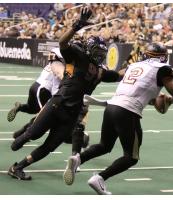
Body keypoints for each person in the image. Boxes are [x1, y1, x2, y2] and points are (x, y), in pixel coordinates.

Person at [8, 7, 124, 181]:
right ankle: (23, 136)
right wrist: (76, 26)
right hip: (58, 103)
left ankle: (18, 167)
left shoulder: (100, 71)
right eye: (98, 52)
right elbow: (62, 43)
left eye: (102, 53)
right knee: (31, 136)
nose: (100, 56)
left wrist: (135, 66)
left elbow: (119, 75)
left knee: (49, 146)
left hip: (72, 113)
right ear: (89, 48)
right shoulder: (78, 56)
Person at [63, 42, 173, 195]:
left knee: (104, 145)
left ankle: (78, 158)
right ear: (162, 57)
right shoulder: (163, 69)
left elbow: (140, 91)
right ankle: (100, 178)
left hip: (112, 106)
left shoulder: (135, 66)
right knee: (131, 157)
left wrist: (158, 99)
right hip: (127, 112)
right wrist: (172, 100)